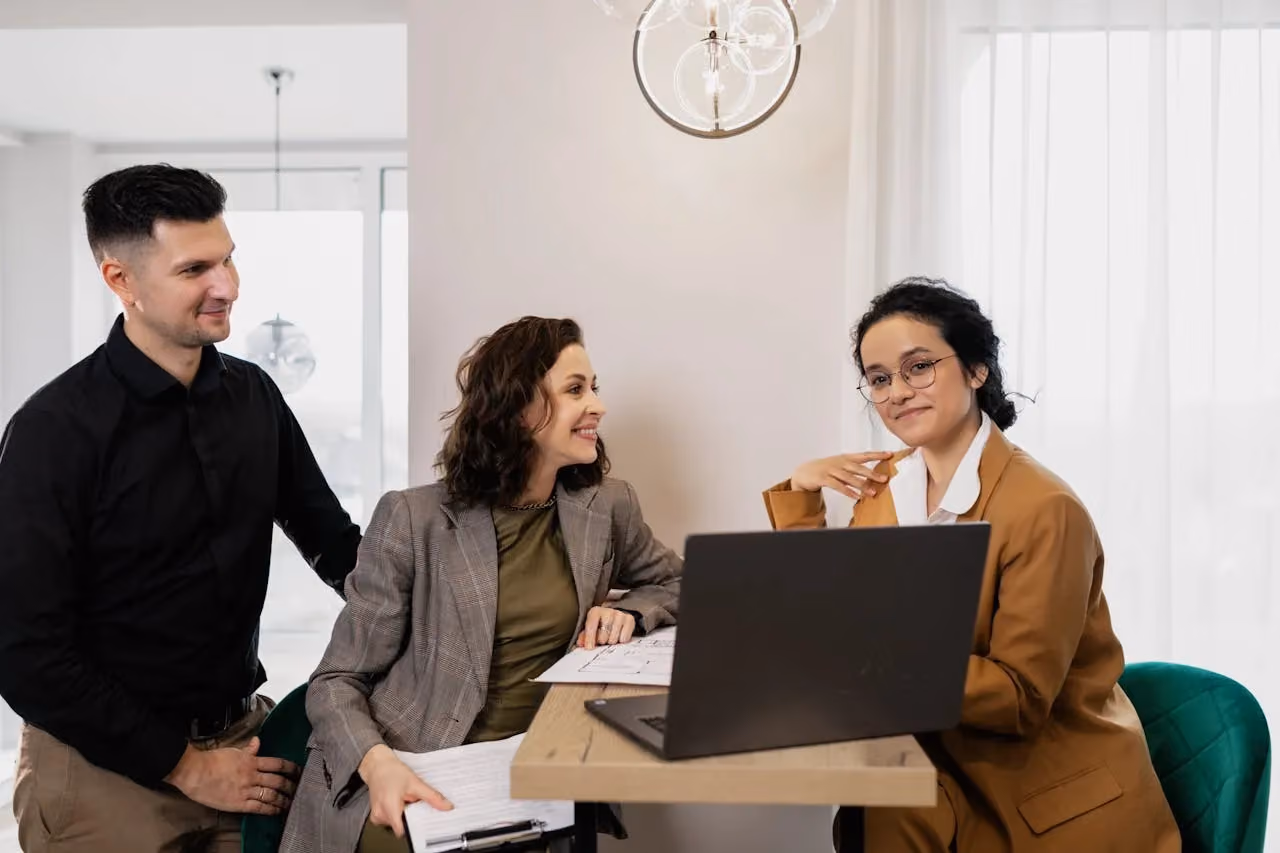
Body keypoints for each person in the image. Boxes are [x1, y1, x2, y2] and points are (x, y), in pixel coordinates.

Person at [0, 164, 362, 853]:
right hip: (101, 774)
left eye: (228, 258)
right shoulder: (54, 430)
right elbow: (25, 655)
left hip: (240, 747)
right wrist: (187, 766)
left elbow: (335, 544)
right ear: (121, 281)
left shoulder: (255, 397)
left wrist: (455, 605)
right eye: (195, 268)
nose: (226, 286)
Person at [763, 278, 1180, 853]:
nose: (896, 392)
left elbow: (1018, 697)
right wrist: (802, 495)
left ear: (978, 369)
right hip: (926, 781)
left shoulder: (1045, 509)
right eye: (880, 378)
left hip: (1041, 806)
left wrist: (871, 663)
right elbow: (830, 616)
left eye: (918, 367)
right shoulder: (886, 488)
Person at [280, 316, 682, 853]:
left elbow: (681, 583)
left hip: (530, 773)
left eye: (595, 387)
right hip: (409, 765)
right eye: (575, 390)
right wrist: (379, 768)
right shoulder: (412, 518)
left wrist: (632, 612)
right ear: (519, 409)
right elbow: (336, 680)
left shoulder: (607, 506)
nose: (598, 406)